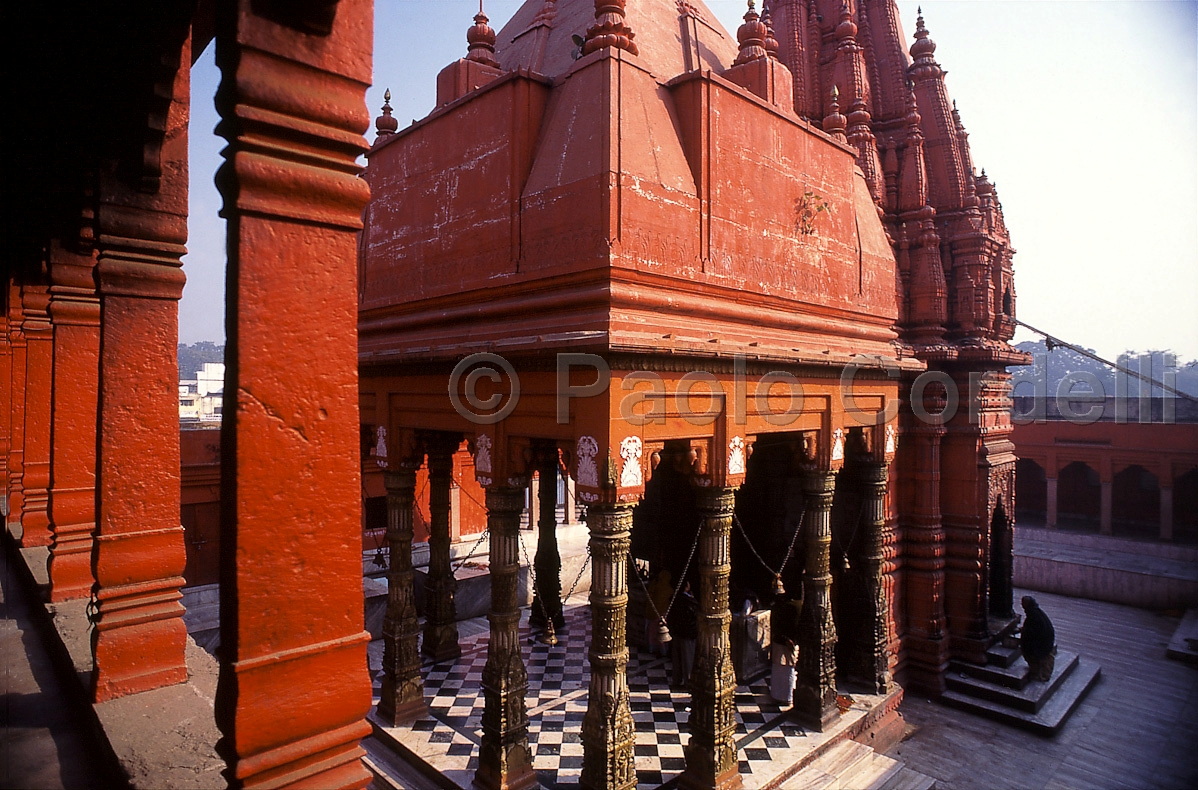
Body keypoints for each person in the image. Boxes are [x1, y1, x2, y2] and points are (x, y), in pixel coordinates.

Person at [769, 592, 803, 705]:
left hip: (784, 641)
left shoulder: (782, 607)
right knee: (785, 669)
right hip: (787, 641)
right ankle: (784, 696)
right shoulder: (797, 606)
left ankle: (783, 696)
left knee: (785, 669)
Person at [668, 580, 698, 688]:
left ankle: (676, 679)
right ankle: (687, 681)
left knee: (677, 659)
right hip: (687, 634)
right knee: (687, 659)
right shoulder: (690, 602)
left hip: (676, 632)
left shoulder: (673, 599)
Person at [1020, 595, 1056, 682]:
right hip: (1046, 641)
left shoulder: (1033, 616)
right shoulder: (1037, 613)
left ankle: (1039, 672)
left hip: (1042, 644)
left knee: (1027, 650)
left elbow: (1031, 632)